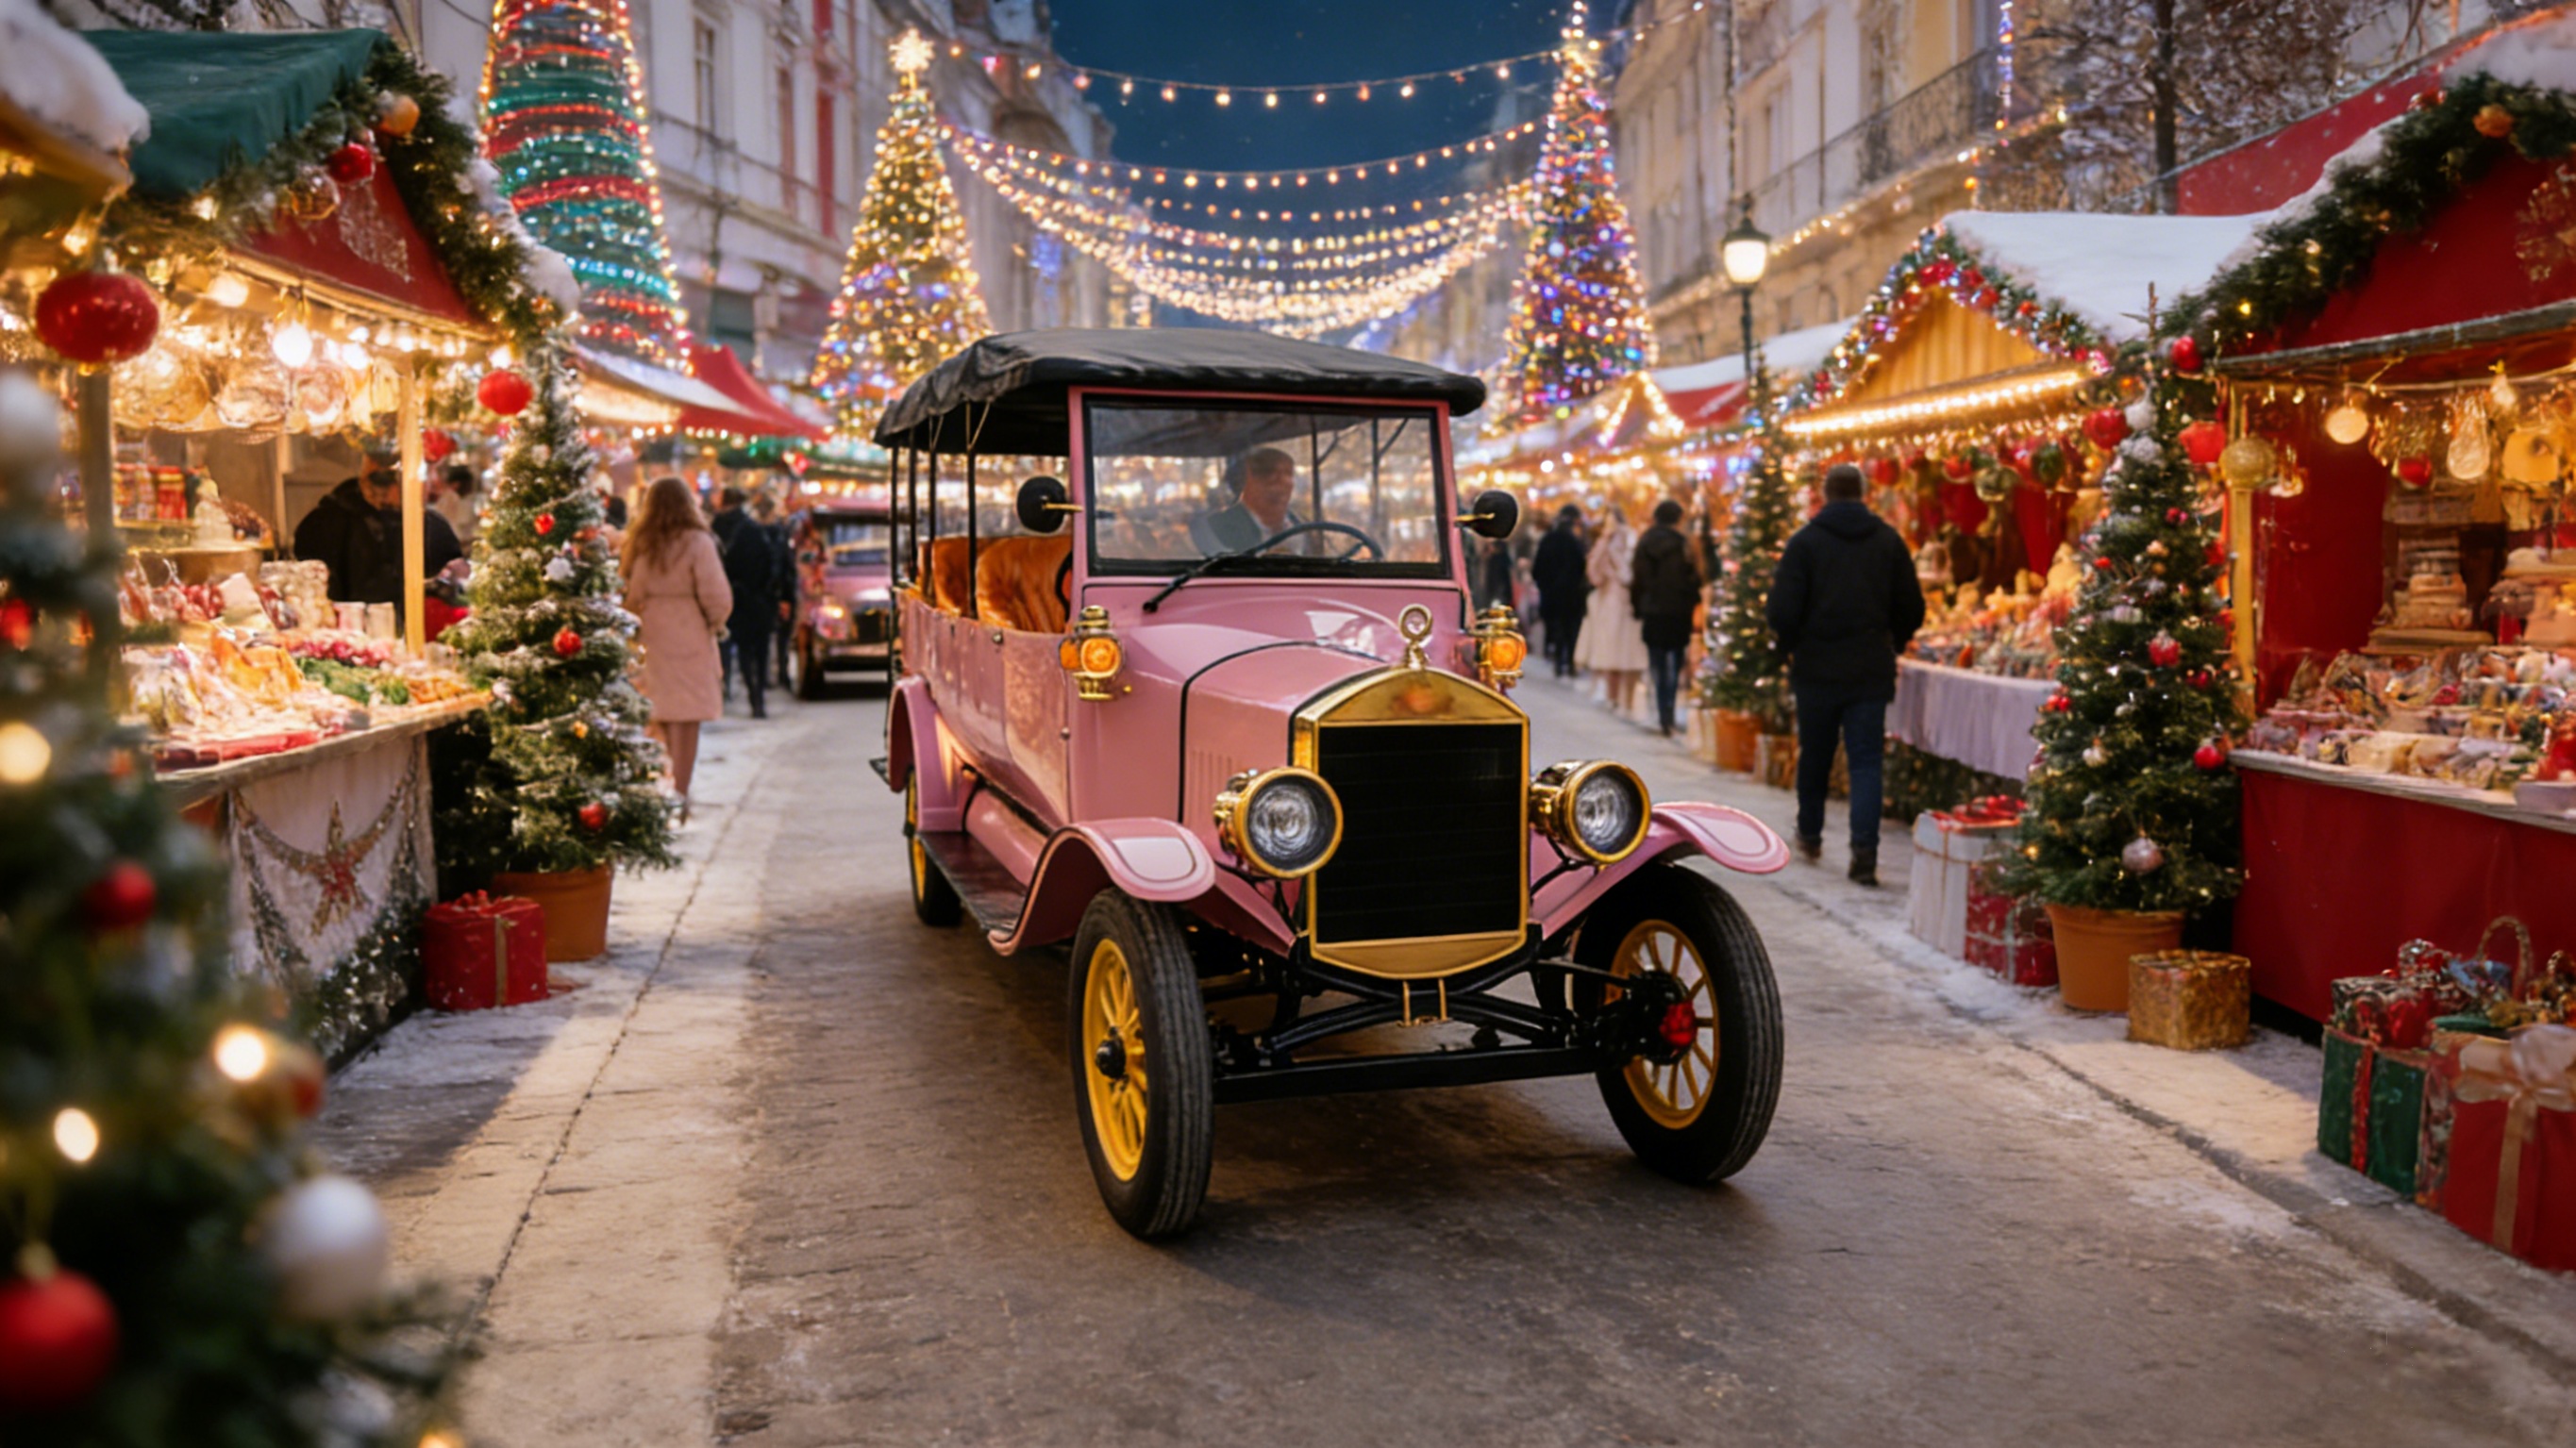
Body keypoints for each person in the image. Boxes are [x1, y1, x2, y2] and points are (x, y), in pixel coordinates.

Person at [1766, 462, 1928, 887]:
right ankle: (1864, 851)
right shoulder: (1888, 542)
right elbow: (1912, 606)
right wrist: (1894, 639)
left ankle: (1811, 833)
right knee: (1866, 762)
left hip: (1817, 666)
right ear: (1863, 493)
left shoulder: (1805, 544)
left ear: (1825, 494)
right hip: (1869, 667)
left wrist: (1791, 646)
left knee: (1815, 752)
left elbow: (1782, 610)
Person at [620, 476, 731, 812]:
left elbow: (632, 592)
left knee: (664, 712)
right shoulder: (699, 542)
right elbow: (717, 594)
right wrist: (715, 623)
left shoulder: (642, 542)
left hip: (654, 631)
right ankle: (682, 788)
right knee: (690, 716)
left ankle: (669, 781)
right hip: (690, 630)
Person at [293, 446, 462, 621]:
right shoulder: (327, 520)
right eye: (377, 480)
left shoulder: (430, 527)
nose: (380, 493)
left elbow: (449, 583)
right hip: (347, 627)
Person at [1630, 498, 1702, 737]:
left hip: (1653, 610)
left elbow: (1638, 579)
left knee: (1657, 664)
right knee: (1675, 662)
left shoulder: (1645, 542)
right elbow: (1695, 578)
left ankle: (1661, 714)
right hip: (1678, 611)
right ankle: (1669, 712)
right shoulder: (1684, 544)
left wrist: (1637, 607)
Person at [710, 486, 780, 718]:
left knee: (734, 648)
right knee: (758, 651)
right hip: (758, 599)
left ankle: (725, 688)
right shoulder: (753, 529)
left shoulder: (715, 529)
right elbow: (770, 563)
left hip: (731, 598)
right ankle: (756, 697)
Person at [1575, 503, 1648, 717]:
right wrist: (1604, 543)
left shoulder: (1630, 542)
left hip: (1628, 605)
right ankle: (1614, 698)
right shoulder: (1604, 544)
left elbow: (1629, 573)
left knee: (1628, 656)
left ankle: (1625, 702)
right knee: (1612, 654)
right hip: (1612, 605)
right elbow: (1594, 574)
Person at [1190, 446, 1304, 554]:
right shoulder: (1214, 528)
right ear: (1246, 482)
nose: (1284, 482)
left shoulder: (1303, 527)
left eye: (1288, 474)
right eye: (1269, 474)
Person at [1530, 505, 1590, 678]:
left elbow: (1538, 568)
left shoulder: (1548, 539)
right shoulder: (1576, 542)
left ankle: (1557, 659)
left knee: (1556, 627)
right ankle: (1569, 661)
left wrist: (1544, 585)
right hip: (1572, 595)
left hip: (1551, 594)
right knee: (1571, 629)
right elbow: (1581, 568)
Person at [753, 491, 795, 685]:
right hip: (776, 589)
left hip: (762, 591)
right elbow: (787, 564)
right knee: (780, 635)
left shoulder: (753, 532)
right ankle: (779, 673)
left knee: (768, 635)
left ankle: (768, 673)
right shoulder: (779, 533)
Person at [431, 462, 481, 547]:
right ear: (457, 484)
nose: (470, 488)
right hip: (456, 545)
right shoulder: (453, 499)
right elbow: (464, 521)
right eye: (468, 485)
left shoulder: (448, 497)